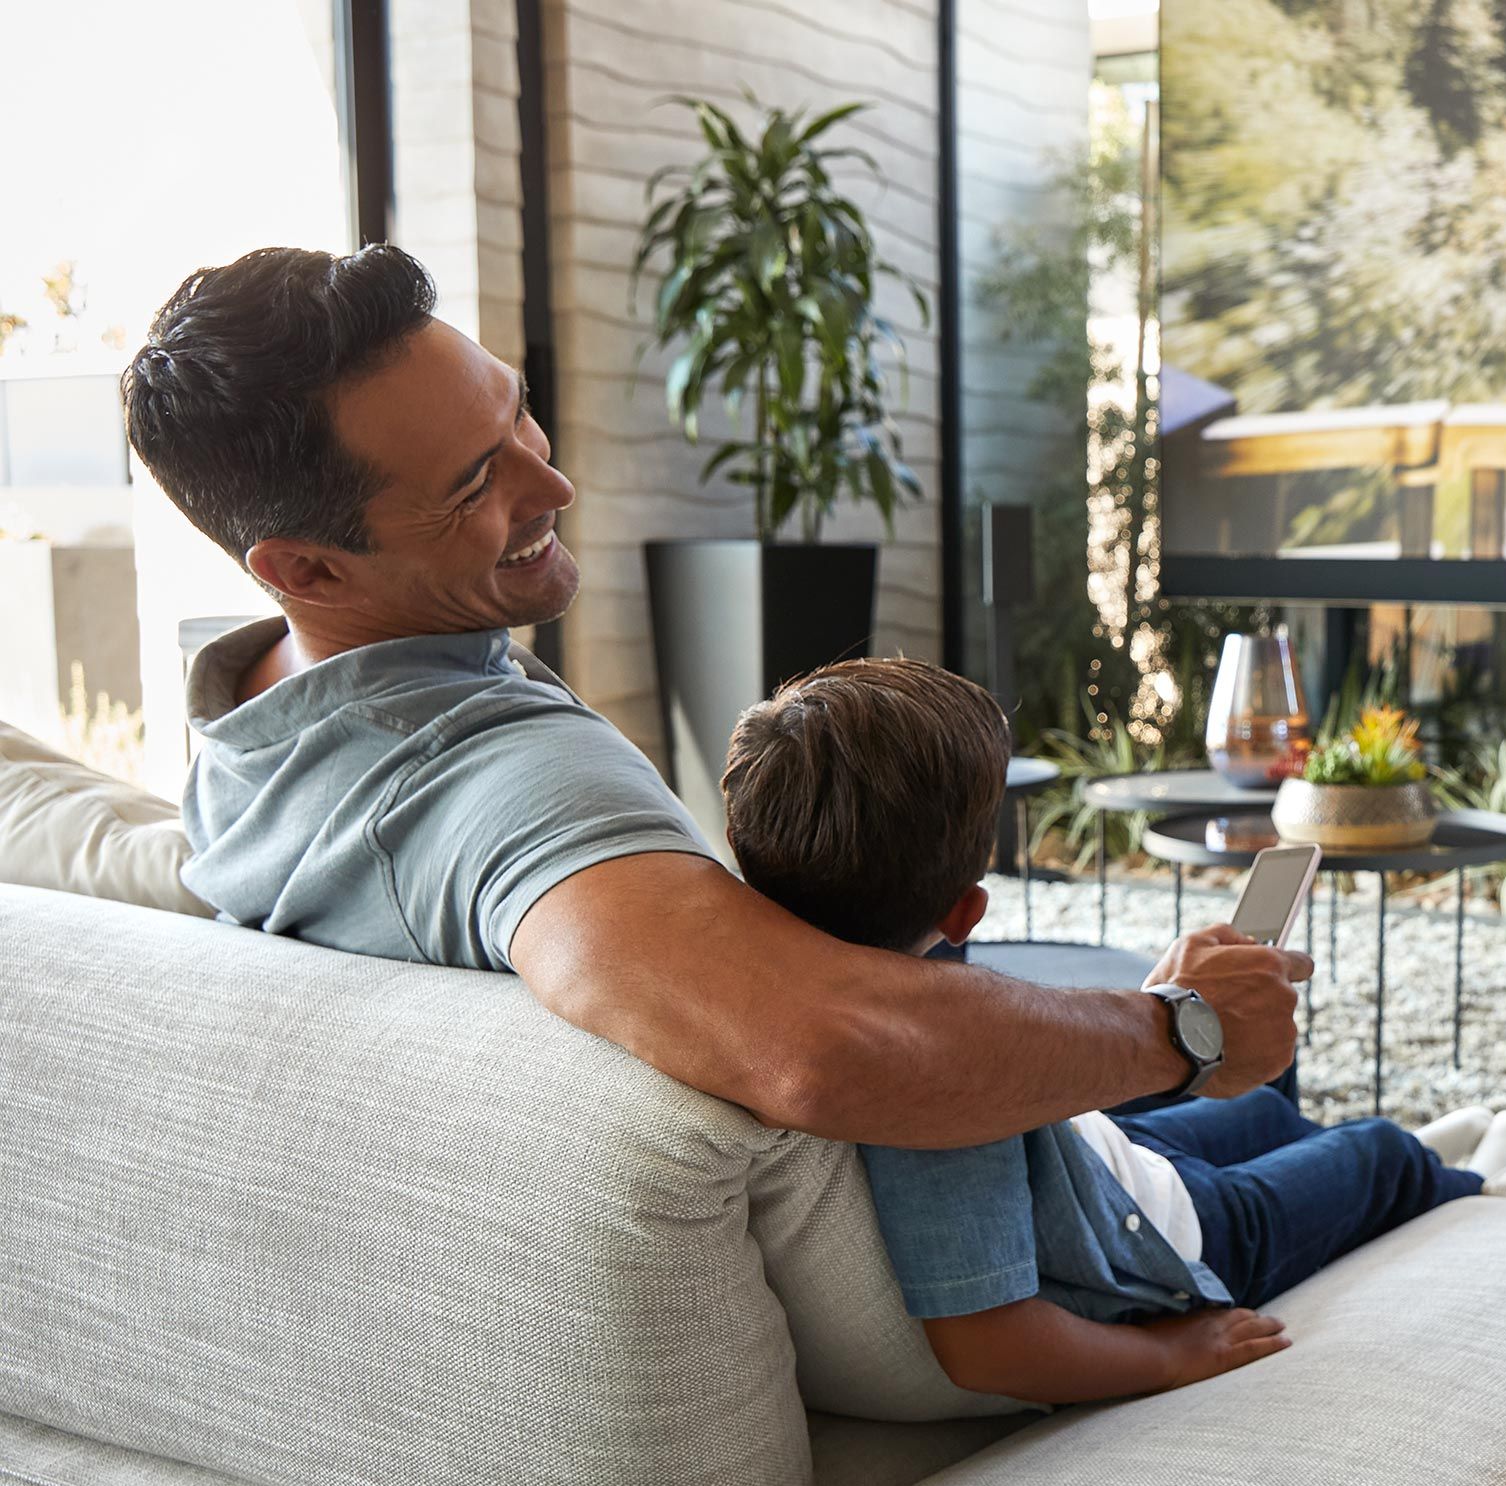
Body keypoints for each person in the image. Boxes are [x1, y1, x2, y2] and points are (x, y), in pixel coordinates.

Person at [122, 242, 1307, 1150]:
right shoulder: (509, 789)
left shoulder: (246, 721)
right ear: (308, 569)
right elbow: (819, 1046)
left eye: (516, 409)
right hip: (1006, 1273)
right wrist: (1181, 1029)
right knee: (1302, 1116)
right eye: (477, 483)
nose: (554, 483)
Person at [716, 658, 1506, 1402]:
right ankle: (1486, 1191)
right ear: (967, 912)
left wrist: (1154, 1014)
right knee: (1378, 1153)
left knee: (1262, 1106)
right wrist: (1173, 1356)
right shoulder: (939, 1077)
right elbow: (986, 1348)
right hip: (1177, 1240)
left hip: (1099, 1161)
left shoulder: (756, 992)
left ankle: (1373, 1161)